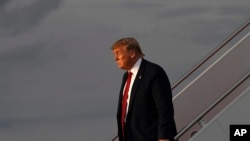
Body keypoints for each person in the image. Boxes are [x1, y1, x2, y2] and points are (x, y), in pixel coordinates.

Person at [111, 37, 177, 141]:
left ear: (132, 53)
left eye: (118, 53)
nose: (115, 58)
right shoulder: (126, 77)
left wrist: (164, 136)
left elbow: (165, 108)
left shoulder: (153, 72)